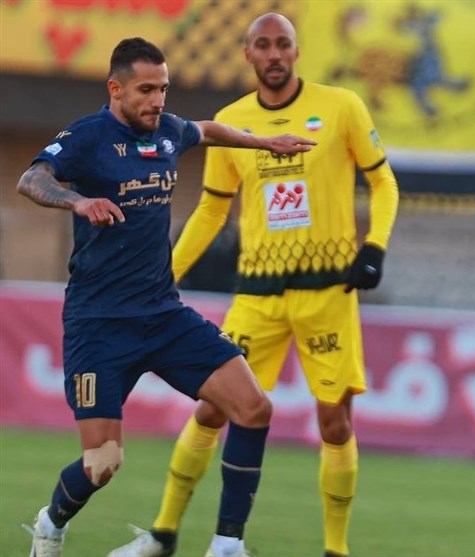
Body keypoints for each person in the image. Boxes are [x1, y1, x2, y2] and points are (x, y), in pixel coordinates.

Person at [110, 12, 399, 557]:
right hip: (258, 295)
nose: (274, 54)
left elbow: (383, 181)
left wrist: (375, 247)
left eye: (282, 44)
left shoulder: (341, 106)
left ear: (296, 50)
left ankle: (335, 549)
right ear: (247, 54)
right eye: (263, 45)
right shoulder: (232, 121)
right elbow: (211, 210)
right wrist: (164, 276)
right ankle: (163, 533)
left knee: (335, 422)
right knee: (212, 409)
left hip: (326, 294)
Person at [17, 37, 316, 557]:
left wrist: (264, 143)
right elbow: (31, 178)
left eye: (163, 89)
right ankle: (52, 521)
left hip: (163, 315)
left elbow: (209, 130)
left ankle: (227, 545)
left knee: (254, 408)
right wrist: (78, 201)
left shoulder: (169, 130)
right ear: (115, 89)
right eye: (146, 90)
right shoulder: (88, 137)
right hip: (99, 324)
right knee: (103, 463)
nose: (157, 100)